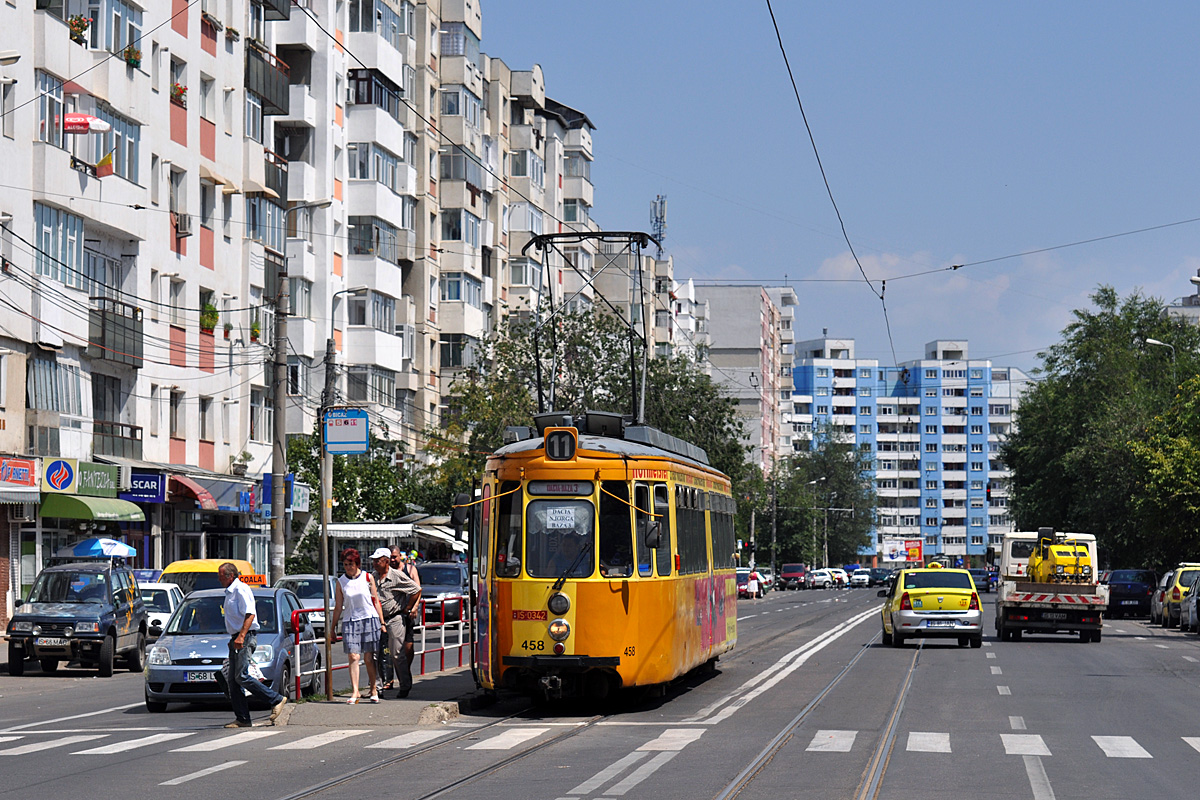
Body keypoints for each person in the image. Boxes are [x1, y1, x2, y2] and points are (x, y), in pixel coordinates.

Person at [217, 562, 287, 728]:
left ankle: (276, 699)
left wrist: (241, 636)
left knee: (241, 676)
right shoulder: (229, 592)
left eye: (220, 575)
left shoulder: (240, 589)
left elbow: (250, 614)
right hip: (236, 637)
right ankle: (242, 718)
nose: (218, 578)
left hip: (245, 636)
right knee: (233, 681)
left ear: (230, 576)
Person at [329, 548, 386, 704]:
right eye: (346, 564)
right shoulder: (340, 582)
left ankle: (373, 688)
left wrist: (382, 622)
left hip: (369, 618)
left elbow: (375, 601)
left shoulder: (367, 578)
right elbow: (338, 606)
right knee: (353, 656)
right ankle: (355, 691)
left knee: (369, 657)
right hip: (350, 620)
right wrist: (332, 627)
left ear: (357, 563)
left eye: (351, 564)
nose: (348, 567)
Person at [370, 547, 420, 698]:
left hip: (395, 618)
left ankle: (405, 685)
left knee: (397, 654)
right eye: (373, 561)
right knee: (373, 654)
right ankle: (377, 688)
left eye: (377, 561)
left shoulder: (397, 576)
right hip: (377, 619)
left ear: (385, 562)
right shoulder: (372, 576)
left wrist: (409, 607)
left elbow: (416, 589)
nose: (374, 564)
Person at [391, 545, 422, 677]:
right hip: (393, 614)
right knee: (391, 648)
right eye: (390, 557)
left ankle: (406, 671)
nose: (392, 560)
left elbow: (418, 589)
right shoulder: (385, 571)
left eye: (394, 557)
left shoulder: (409, 569)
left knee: (408, 646)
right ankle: (392, 677)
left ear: (400, 556)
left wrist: (413, 607)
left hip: (408, 612)